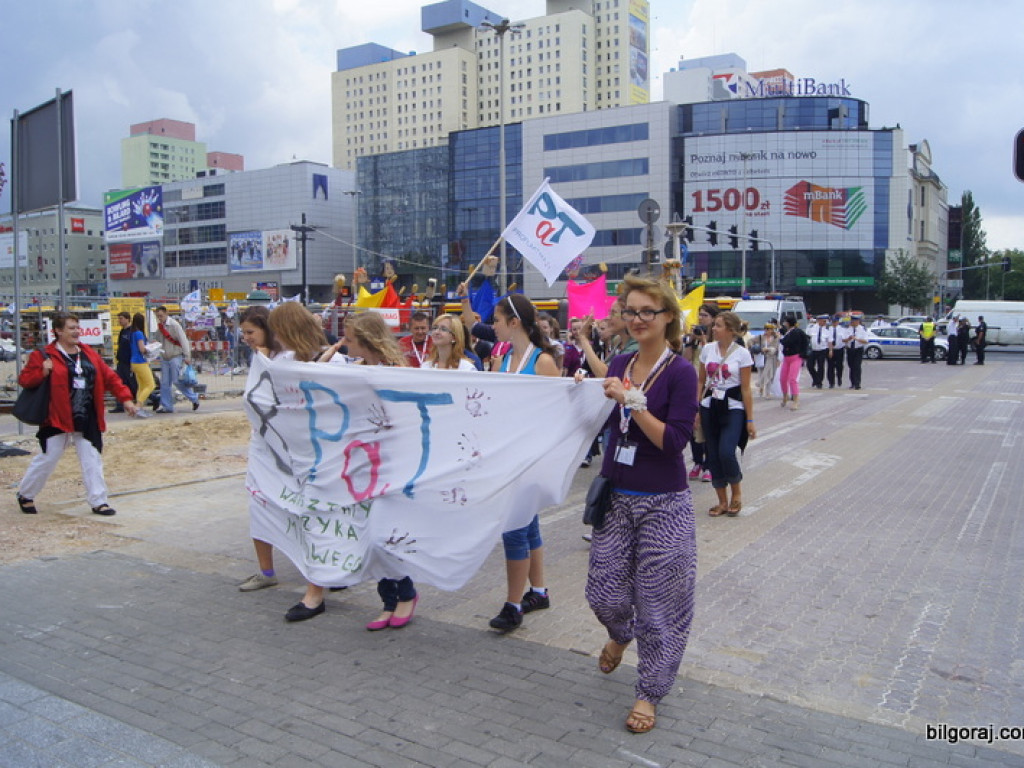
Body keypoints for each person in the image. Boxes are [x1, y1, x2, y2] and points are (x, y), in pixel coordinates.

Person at [586, 274, 698, 735]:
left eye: (645, 312)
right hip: (617, 496)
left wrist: (631, 401)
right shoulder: (622, 360)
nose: (635, 320)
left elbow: (673, 442)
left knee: (658, 605)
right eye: (629, 311)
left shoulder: (680, 371)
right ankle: (618, 633)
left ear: (668, 316)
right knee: (603, 592)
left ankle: (649, 691)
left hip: (664, 504)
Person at [16, 313, 139, 516]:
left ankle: (99, 501)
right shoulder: (44, 355)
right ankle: (25, 494)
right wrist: (43, 372)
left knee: (92, 458)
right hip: (57, 416)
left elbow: (109, 377)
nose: (77, 332)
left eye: (77, 327)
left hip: (87, 415)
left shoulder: (88, 353)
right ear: (58, 331)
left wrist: (125, 398)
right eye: (72, 328)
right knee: (49, 458)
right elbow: (25, 380)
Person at [488, 294, 560, 632]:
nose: (493, 326)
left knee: (513, 528)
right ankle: (539, 591)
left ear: (514, 322)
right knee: (527, 525)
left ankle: (513, 604)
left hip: (530, 458)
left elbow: (556, 414)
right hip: (510, 454)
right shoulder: (504, 359)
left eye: (497, 320)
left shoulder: (542, 361)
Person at [344, 312, 420, 630]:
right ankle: (387, 600)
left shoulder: (397, 371)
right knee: (368, 535)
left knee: (386, 533)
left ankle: (406, 593)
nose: (344, 343)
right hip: (362, 464)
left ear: (365, 340)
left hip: (392, 464)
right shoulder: (352, 372)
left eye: (349, 338)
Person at [262, 303, 336, 621]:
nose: (275, 335)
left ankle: (315, 593)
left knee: (317, 523)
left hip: (329, 457)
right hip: (295, 456)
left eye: (278, 328)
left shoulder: (334, 360)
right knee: (310, 522)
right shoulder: (282, 360)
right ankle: (324, 579)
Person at [236, 307, 283, 593]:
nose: (247, 338)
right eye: (243, 333)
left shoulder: (285, 358)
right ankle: (266, 570)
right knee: (259, 504)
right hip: (262, 445)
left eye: (251, 332)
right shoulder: (257, 358)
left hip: (287, 449)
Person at [699, 311, 756, 517]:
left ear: (730, 330)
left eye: (719, 326)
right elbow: (701, 381)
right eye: (714, 325)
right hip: (709, 405)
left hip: (733, 408)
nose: (713, 329)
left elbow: (746, 389)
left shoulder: (742, 354)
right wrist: (696, 408)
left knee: (726, 451)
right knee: (712, 455)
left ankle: (737, 493)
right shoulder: (707, 350)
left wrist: (750, 420)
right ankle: (722, 501)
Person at [154, 305, 199, 413]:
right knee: (165, 383)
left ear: (166, 314)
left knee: (176, 381)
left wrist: (187, 356)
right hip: (165, 357)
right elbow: (159, 340)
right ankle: (167, 406)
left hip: (175, 356)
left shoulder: (174, 325)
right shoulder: (160, 327)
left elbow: (183, 340)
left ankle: (194, 398)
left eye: (161, 316)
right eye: (158, 316)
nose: (160, 318)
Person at [129, 313, 156, 411]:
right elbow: (142, 349)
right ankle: (138, 405)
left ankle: (138, 405)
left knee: (141, 386)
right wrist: (151, 349)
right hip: (141, 362)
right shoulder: (139, 333)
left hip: (134, 362)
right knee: (150, 385)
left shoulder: (133, 333)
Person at [110, 311, 136, 412]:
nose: (119, 321)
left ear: (127, 319)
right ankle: (120, 405)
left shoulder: (131, 332)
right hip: (121, 361)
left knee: (134, 384)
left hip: (129, 362)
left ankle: (154, 398)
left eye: (121, 318)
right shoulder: (122, 331)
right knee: (120, 383)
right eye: (119, 319)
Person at [779, 316, 807, 410]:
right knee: (782, 378)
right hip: (786, 358)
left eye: (785, 322)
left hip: (795, 357)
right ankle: (785, 396)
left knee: (792, 379)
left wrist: (780, 339)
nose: (784, 324)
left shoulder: (796, 332)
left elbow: (787, 342)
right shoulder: (788, 332)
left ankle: (796, 400)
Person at [846, 315, 869, 389]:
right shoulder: (848, 329)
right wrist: (848, 339)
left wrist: (857, 339)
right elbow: (843, 340)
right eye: (852, 321)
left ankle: (857, 383)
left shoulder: (862, 329)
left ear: (858, 321)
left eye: (854, 321)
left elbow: (865, 341)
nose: (852, 323)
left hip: (858, 349)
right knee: (851, 366)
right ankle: (852, 382)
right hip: (850, 349)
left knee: (857, 366)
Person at [758, 323, 780, 398]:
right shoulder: (760, 337)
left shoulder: (775, 338)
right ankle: (761, 387)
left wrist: (769, 349)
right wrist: (756, 348)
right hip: (761, 358)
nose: (767, 331)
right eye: (766, 329)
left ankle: (767, 392)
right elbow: (750, 342)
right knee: (761, 374)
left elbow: (777, 348)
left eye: (769, 329)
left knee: (769, 374)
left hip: (771, 358)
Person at [826, 315, 849, 388]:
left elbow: (844, 339)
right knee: (830, 366)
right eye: (833, 322)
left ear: (838, 322)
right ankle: (831, 382)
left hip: (840, 349)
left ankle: (839, 377)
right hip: (831, 349)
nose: (834, 323)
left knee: (839, 366)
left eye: (835, 322)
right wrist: (830, 350)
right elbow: (829, 340)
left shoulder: (842, 330)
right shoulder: (828, 329)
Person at [807, 315, 829, 388]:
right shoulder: (811, 328)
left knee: (820, 366)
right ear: (819, 320)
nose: (825, 323)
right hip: (813, 350)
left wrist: (830, 350)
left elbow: (829, 341)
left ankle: (819, 382)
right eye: (823, 321)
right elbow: (807, 336)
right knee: (810, 366)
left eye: (825, 321)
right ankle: (815, 378)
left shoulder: (827, 329)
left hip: (822, 350)